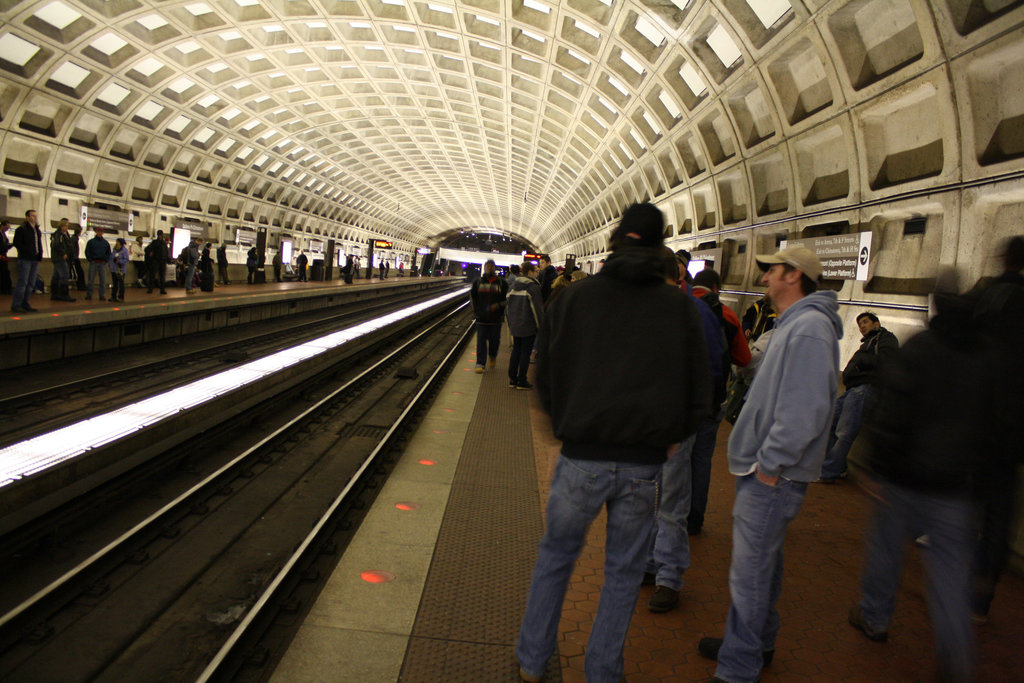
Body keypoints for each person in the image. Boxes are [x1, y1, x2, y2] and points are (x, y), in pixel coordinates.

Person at [517, 203, 711, 683]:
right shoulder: (680, 308)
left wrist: (564, 425)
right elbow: (699, 387)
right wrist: (669, 439)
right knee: (624, 574)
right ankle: (603, 670)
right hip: (645, 467)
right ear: (661, 247)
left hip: (582, 458)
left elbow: (547, 370)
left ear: (615, 240)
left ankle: (532, 660)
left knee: (556, 557)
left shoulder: (576, 298)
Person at [699, 245, 842, 683]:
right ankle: (753, 641)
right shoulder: (792, 326)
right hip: (766, 470)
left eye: (771, 271)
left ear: (794, 275)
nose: (763, 279)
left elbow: (807, 408)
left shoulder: (810, 329)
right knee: (764, 565)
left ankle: (738, 669)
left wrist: (771, 463)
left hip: (772, 475)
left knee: (750, 574)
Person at [849, 282, 988, 683]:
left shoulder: (920, 349)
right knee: (948, 572)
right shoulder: (987, 356)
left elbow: (892, 409)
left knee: (886, 551)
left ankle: (875, 617)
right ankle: (956, 654)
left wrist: (877, 466)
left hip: (904, 479)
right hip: (955, 486)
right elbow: (997, 424)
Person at [645, 247, 724, 614]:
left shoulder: (694, 313)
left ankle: (669, 578)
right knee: (645, 499)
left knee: (672, 504)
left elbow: (709, 369)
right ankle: (648, 564)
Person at [969, 236, 1024, 623]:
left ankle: (955, 576)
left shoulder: (984, 297)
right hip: (1013, 429)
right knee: (1000, 511)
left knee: (962, 503)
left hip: (972, 419)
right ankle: (983, 590)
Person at [689, 267, 751, 535]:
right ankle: (695, 519)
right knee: (702, 460)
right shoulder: (727, 314)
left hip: (682, 401)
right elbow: (744, 359)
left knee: (676, 462)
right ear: (717, 288)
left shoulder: (681, 306)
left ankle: (671, 518)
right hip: (712, 400)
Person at [819, 312, 899, 482]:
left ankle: (828, 472)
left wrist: (861, 362)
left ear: (876, 323)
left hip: (865, 388)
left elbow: (888, 362)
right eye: (859, 324)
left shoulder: (885, 339)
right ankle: (836, 467)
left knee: (844, 432)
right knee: (831, 425)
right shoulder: (868, 343)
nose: (861, 326)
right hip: (852, 390)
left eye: (865, 322)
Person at [505, 261, 542, 389]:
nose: (538, 273)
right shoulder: (533, 287)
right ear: (530, 272)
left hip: (515, 325)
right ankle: (522, 380)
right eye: (536, 271)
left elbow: (507, 307)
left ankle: (512, 379)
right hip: (528, 326)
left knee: (516, 351)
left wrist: (510, 323)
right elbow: (537, 310)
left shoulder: (513, 286)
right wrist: (540, 327)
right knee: (525, 353)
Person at [469, 259, 507, 373]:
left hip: (496, 318)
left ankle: (493, 355)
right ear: (484, 268)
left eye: (491, 266)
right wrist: (476, 310)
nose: (489, 268)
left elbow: (506, 299)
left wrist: (498, 307)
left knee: (494, 340)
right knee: (481, 340)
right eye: (487, 266)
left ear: (495, 268)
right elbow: (473, 297)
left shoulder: (502, 283)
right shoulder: (478, 282)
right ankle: (480, 363)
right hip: (481, 318)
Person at [10, 209, 43, 312]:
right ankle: (16, 304)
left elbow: (38, 243)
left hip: (34, 259)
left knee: (31, 283)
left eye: (36, 216)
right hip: (25, 259)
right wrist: (27, 252)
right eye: (33, 216)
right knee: (23, 282)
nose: (35, 218)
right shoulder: (22, 229)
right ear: (27, 217)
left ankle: (25, 303)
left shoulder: (36, 230)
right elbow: (17, 243)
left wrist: (39, 254)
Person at [49, 218, 76, 302]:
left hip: (57, 258)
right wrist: (63, 253)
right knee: (64, 275)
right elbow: (57, 245)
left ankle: (55, 293)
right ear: (62, 226)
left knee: (56, 276)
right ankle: (64, 294)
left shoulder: (62, 234)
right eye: (66, 226)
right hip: (59, 258)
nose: (67, 227)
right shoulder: (59, 235)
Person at [84, 226, 112, 301]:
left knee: (103, 280)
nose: (100, 233)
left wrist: (106, 260)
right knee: (91, 280)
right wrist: (90, 259)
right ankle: (89, 295)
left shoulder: (105, 243)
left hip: (102, 263)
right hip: (94, 262)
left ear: (102, 233)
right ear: (96, 232)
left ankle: (102, 295)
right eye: (99, 231)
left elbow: (108, 253)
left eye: (101, 231)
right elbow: (87, 252)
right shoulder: (91, 242)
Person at [109, 237, 129, 302]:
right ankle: (113, 296)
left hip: (121, 270)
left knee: (121, 284)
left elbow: (126, 260)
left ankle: (121, 297)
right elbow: (111, 258)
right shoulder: (114, 250)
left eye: (117, 242)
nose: (116, 243)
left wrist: (119, 261)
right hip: (114, 269)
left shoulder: (124, 250)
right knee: (114, 284)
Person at [70, 226, 86, 291]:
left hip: (74, 258)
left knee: (79, 272)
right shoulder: (74, 239)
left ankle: (80, 285)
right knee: (80, 272)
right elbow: (73, 249)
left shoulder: (73, 238)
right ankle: (81, 286)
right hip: (75, 258)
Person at [0, 220, 12, 295]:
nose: (7, 230)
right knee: (3, 272)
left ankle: (5, 289)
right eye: (6, 228)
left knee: (5, 272)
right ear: (3, 226)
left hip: (3, 255)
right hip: (1, 255)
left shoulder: (3, 234)